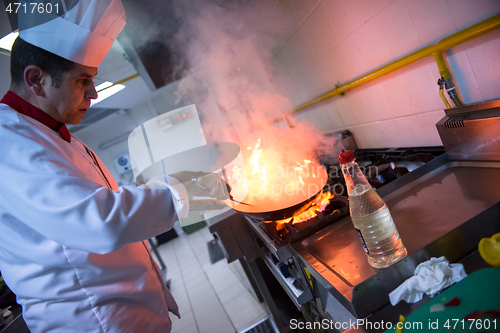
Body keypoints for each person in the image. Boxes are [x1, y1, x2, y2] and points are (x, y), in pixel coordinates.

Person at [0, 0, 228, 332]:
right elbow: (101, 220)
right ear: (36, 80)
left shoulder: (56, 135)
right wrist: (194, 188)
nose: (93, 93)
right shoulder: (10, 142)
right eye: (82, 81)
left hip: (122, 314)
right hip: (92, 322)